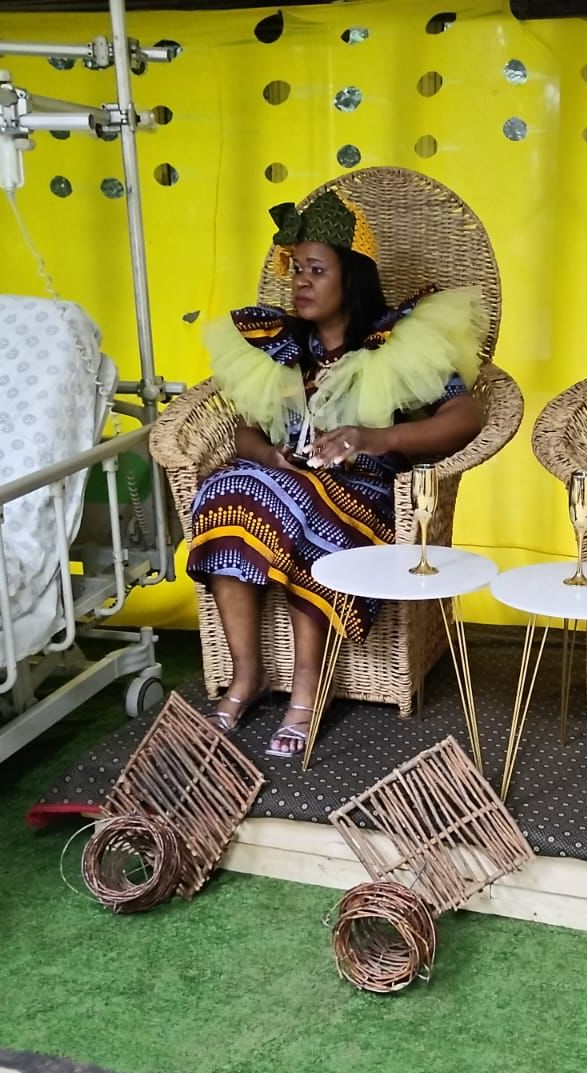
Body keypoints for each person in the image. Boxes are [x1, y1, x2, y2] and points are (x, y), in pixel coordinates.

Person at [181, 189, 484, 757]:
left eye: (316, 271)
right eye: (296, 270)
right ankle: (246, 679)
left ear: (352, 277)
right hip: (283, 481)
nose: (300, 283)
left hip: (364, 493)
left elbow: (465, 416)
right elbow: (247, 429)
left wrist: (378, 437)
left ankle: (305, 692)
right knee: (224, 491)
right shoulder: (277, 346)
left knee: (293, 507)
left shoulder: (394, 343)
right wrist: (267, 455)